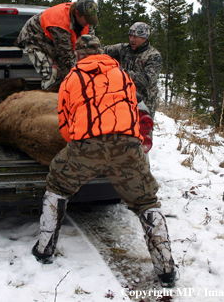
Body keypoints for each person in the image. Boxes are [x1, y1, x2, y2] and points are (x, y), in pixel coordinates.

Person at [31, 35, 177, 287]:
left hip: (87, 146)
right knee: (146, 202)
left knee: (57, 184)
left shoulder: (71, 79)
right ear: (102, 52)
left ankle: (45, 249)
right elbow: (134, 108)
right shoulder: (122, 75)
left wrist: (83, 147)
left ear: (78, 55)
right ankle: (165, 268)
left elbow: (66, 128)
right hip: (128, 148)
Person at [17, 0, 99, 90]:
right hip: (36, 40)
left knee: (71, 72)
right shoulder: (60, 23)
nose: (89, 22)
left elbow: (91, 46)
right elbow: (66, 57)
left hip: (56, 42)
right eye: (87, 19)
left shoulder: (86, 18)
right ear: (77, 13)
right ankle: (49, 99)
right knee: (53, 72)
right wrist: (85, 75)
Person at [103, 21, 162, 118]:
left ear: (144, 38)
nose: (131, 39)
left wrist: (121, 73)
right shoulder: (123, 49)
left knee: (142, 132)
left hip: (144, 103)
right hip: (123, 100)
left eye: (135, 37)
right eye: (130, 36)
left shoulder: (153, 55)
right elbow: (101, 51)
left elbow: (147, 79)